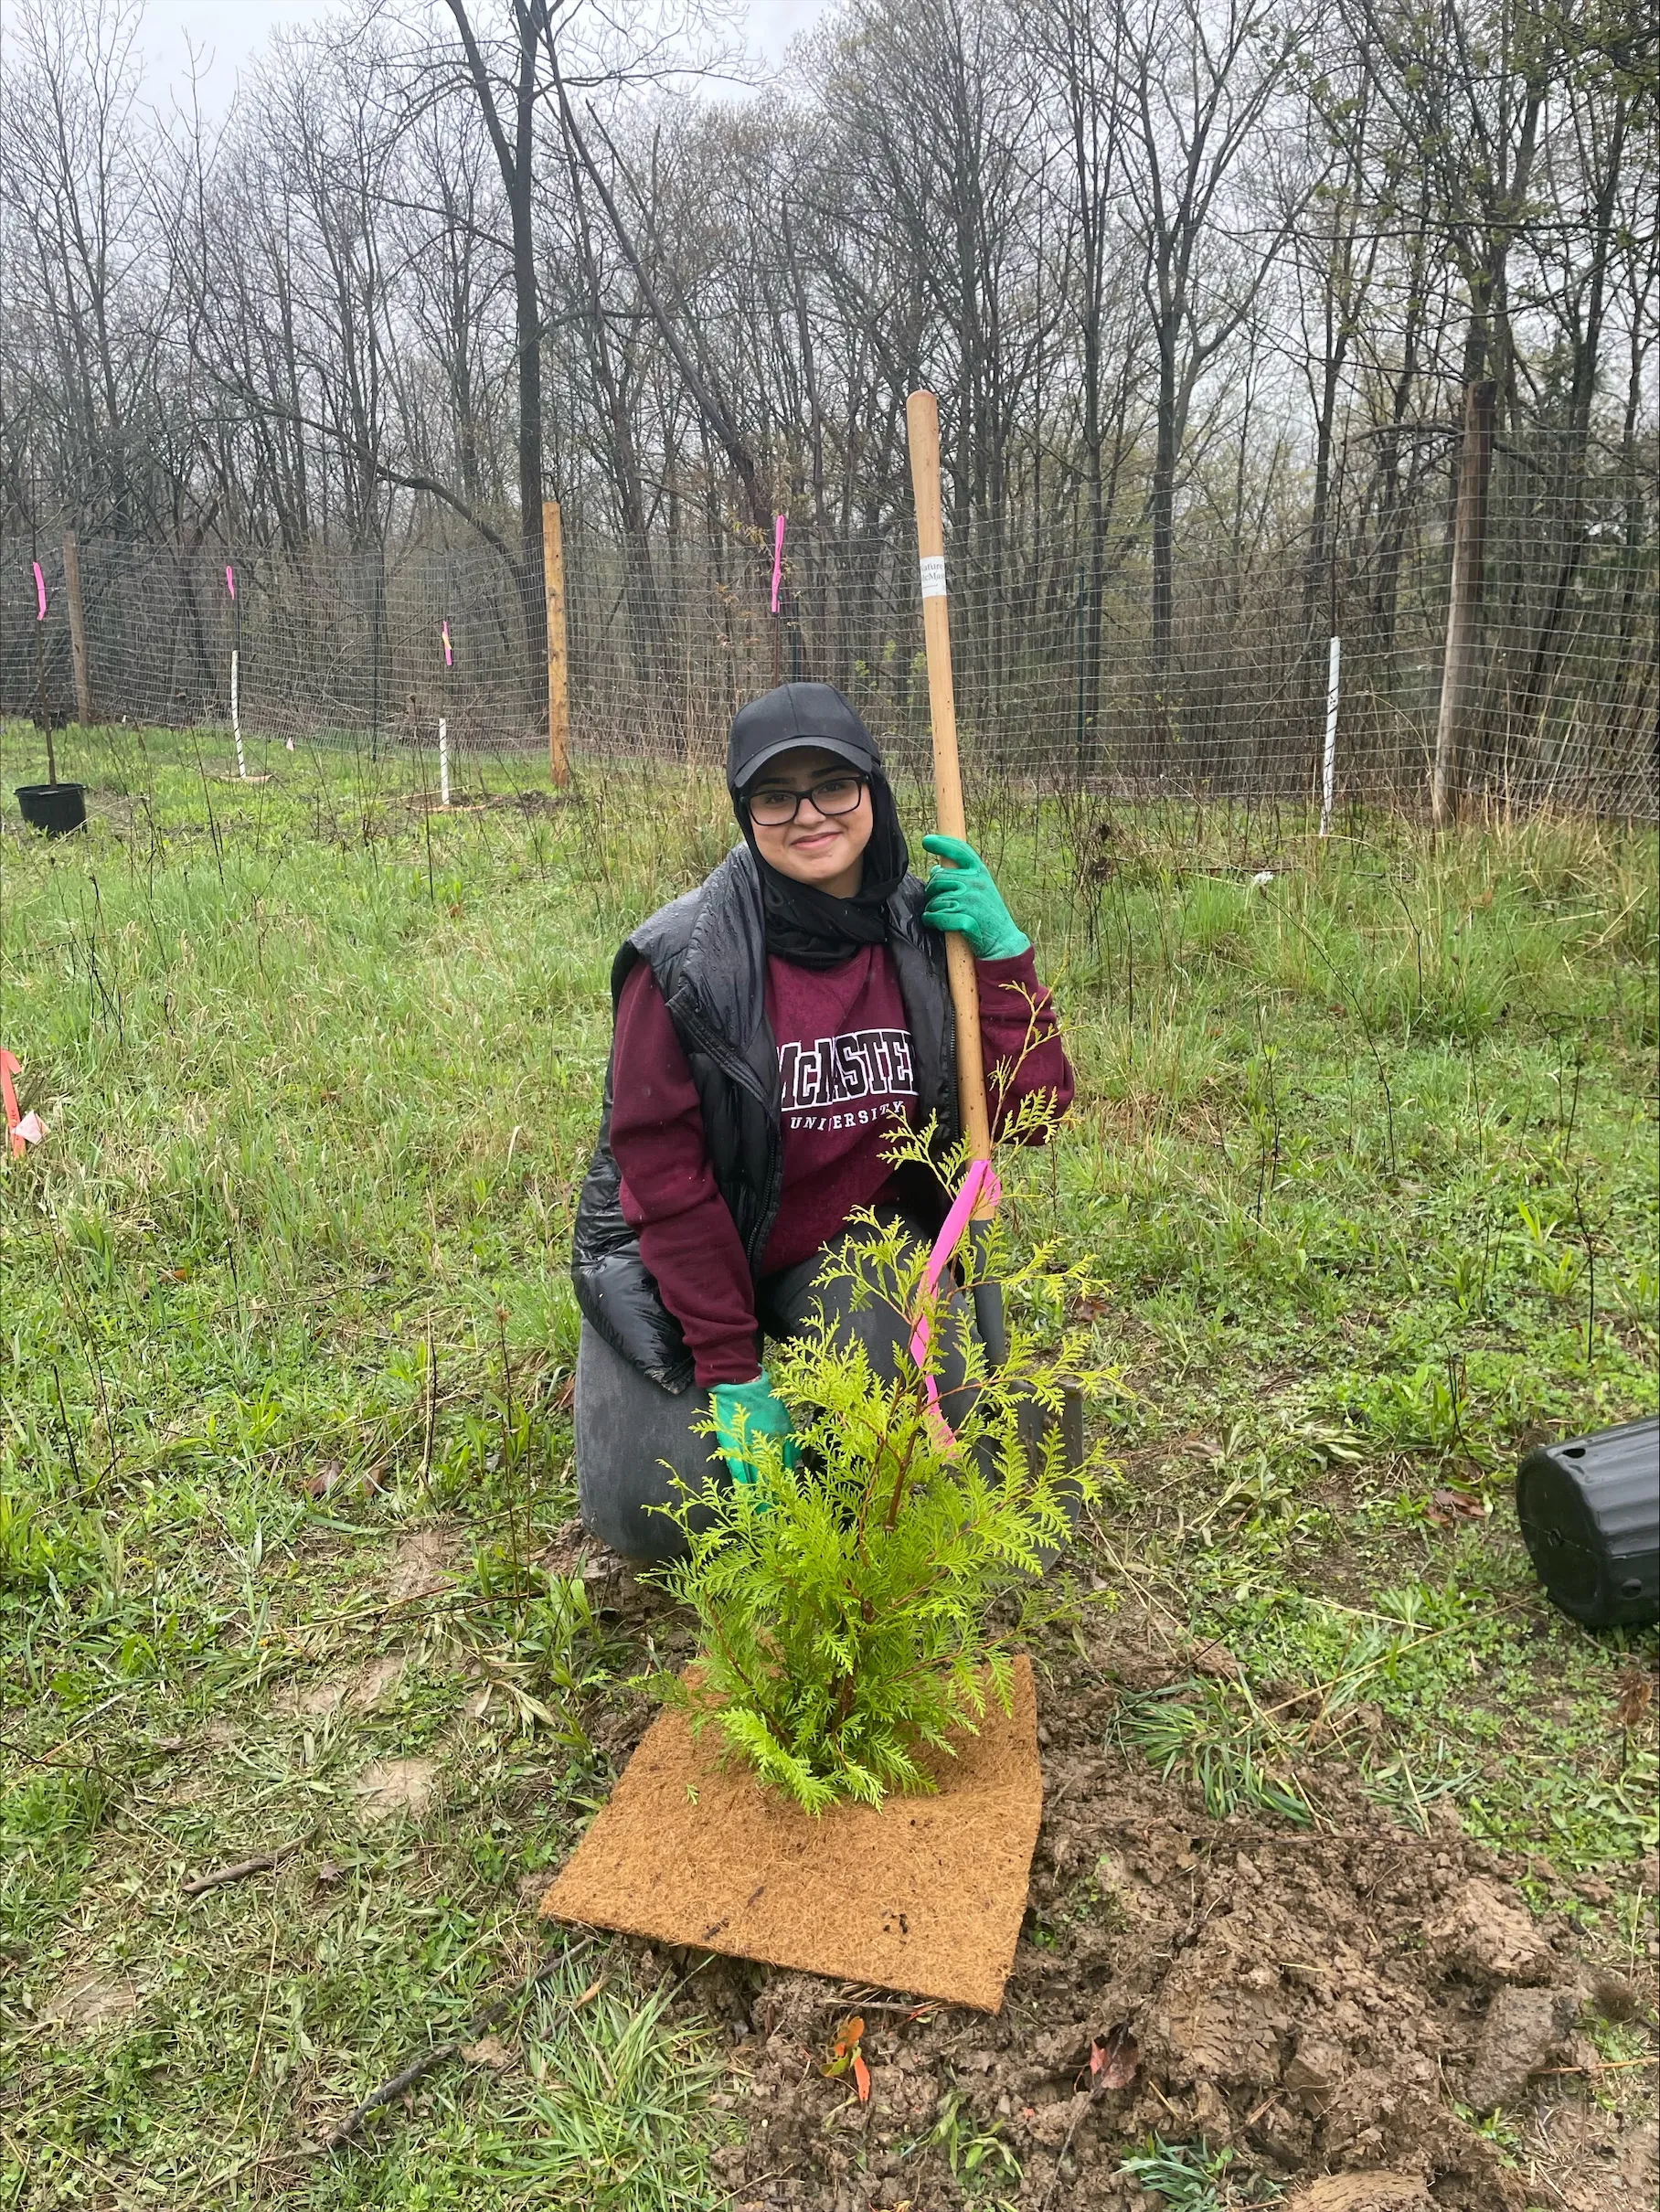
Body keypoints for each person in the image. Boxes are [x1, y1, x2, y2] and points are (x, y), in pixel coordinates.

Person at [570, 681, 1073, 1559]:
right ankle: (718, 1400)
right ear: (746, 813)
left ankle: (848, 1444)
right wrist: (732, 1368)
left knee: (926, 1463)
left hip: (845, 1251)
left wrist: (1004, 962)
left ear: (873, 788)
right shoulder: (683, 963)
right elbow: (665, 1183)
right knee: (660, 1511)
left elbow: (1031, 1115)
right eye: (777, 795)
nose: (809, 815)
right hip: (693, 1251)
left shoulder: (932, 934)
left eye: (833, 785)